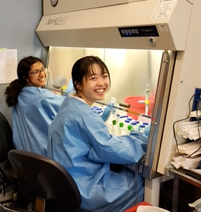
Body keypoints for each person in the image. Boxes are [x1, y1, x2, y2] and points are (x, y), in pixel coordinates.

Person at [47, 55, 149, 212]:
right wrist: (143, 138)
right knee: (140, 182)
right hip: (84, 188)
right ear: (78, 84)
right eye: (93, 78)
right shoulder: (83, 115)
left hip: (66, 183)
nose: (101, 83)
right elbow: (114, 150)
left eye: (105, 76)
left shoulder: (69, 104)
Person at [4, 56, 114, 157]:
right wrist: (73, 95)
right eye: (36, 72)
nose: (42, 74)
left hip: (24, 155)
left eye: (43, 69)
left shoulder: (21, 93)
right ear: (26, 77)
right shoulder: (41, 97)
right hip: (43, 155)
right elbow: (70, 105)